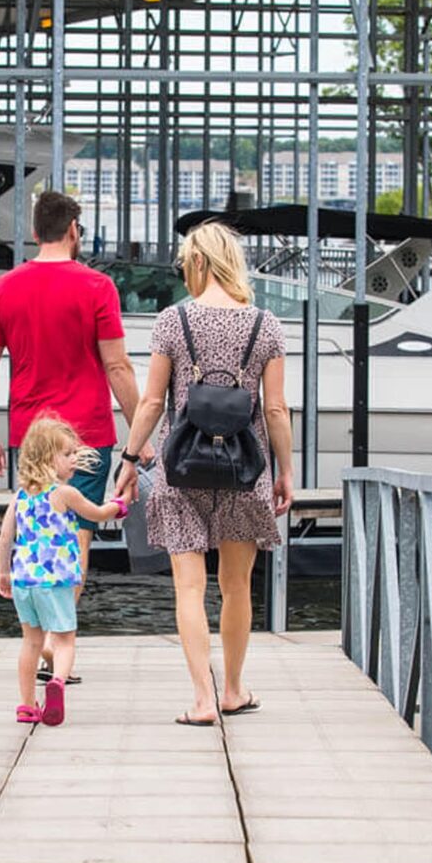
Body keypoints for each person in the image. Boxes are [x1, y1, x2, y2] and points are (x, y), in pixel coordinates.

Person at [117, 222, 294, 726]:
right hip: (245, 470)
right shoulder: (267, 325)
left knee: (189, 588)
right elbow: (277, 410)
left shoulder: (173, 322)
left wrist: (129, 462)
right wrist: (286, 472)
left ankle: (202, 699)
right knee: (236, 586)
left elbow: (151, 401)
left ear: (196, 263)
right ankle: (234, 690)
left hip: (182, 467)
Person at [0, 190, 140, 682]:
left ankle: (39, 636)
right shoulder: (97, 286)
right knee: (77, 534)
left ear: (33, 231)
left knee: (33, 528)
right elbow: (117, 364)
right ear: (73, 231)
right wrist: (141, 433)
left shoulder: (5, 287)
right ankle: (58, 638)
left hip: (29, 432)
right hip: (86, 434)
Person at [0, 415, 127, 725]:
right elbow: (96, 513)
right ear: (46, 458)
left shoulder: (20, 497)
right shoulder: (64, 494)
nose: (74, 460)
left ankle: (26, 706)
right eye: (67, 454)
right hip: (55, 582)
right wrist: (119, 506)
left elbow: (4, 537)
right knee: (64, 639)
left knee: (31, 643)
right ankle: (57, 682)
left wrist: (3, 573)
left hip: (24, 581)